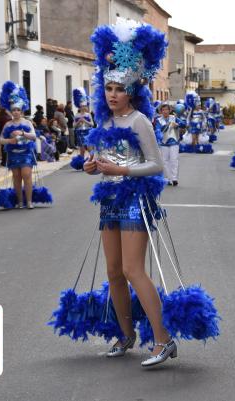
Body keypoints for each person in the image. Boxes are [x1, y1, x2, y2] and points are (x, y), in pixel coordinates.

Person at [83, 19, 177, 367]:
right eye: (108, 87)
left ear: (131, 92)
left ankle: (163, 339)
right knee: (113, 272)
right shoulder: (104, 122)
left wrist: (120, 170)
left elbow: (156, 166)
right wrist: (92, 167)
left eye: (119, 89)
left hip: (137, 201)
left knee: (134, 270)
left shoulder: (140, 120)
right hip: (109, 200)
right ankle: (125, 336)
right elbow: (100, 160)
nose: (112, 94)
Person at [0, 81, 37, 209]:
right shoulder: (8, 124)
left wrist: (23, 133)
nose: (15, 112)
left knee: (26, 175)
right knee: (16, 177)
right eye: (13, 110)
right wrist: (9, 141)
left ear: (22, 110)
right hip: (13, 154)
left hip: (26, 153)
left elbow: (34, 136)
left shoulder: (27, 122)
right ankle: (20, 201)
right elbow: (0, 139)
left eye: (18, 110)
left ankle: (29, 201)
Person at [156, 103, 184, 186]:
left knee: (174, 160)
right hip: (164, 143)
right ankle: (168, 179)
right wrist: (167, 125)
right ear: (161, 111)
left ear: (170, 110)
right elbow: (158, 130)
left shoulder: (174, 118)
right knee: (165, 161)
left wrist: (177, 124)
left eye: (167, 109)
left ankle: (174, 178)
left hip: (174, 142)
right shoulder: (158, 120)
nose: (165, 111)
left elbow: (184, 124)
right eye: (163, 110)